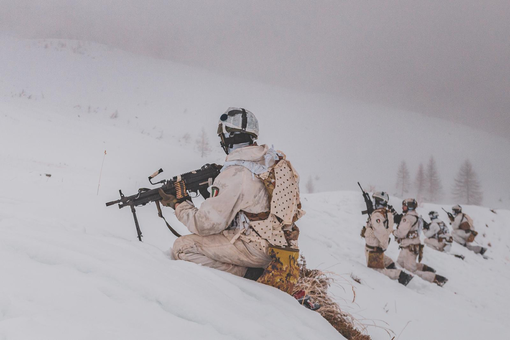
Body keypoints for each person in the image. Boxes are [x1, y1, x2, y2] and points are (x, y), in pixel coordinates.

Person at [159, 107, 304, 284]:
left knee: (183, 248)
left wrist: (180, 203)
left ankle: (250, 276)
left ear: (227, 137)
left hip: (257, 249)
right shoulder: (273, 161)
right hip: (282, 248)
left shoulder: (237, 172)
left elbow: (205, 225)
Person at [393, 198, 448, 287]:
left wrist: (393, 232)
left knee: (411, 270)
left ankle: (436, 278)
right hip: (408, 246)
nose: (402, 207)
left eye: (404, 205)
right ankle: (424, 268)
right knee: (400, 264)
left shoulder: (408, 218)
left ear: (409, 207)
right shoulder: (415, 216)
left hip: (409, 248)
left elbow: (400, 233)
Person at [363, 192, 413, 286]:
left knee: (376, 271)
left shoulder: (377, 215)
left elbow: (380, 232)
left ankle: (400, 275)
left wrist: (384, 244)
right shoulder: (387, 213)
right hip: (376, 247)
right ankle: (392, 266)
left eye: (375, 200)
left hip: (373, 248)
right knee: (387, 261)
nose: (373, 202)